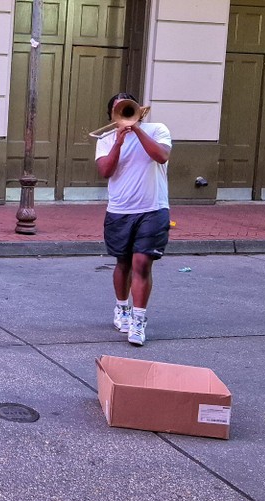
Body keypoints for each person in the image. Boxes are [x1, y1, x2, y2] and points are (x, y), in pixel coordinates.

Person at [95, 92, 172, 346]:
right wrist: (118, 141)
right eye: (119, 110)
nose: (125, 114)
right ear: (112, 115)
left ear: (139, 109)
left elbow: (161, 156)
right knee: (123, 263)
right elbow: (105, 170)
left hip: (152, 208)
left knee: (142, 263)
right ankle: (121, 308)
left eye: (128, 108)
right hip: (119, 210)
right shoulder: (106, 138)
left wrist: (137, 130)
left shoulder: (157, 129)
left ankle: (138, 321)